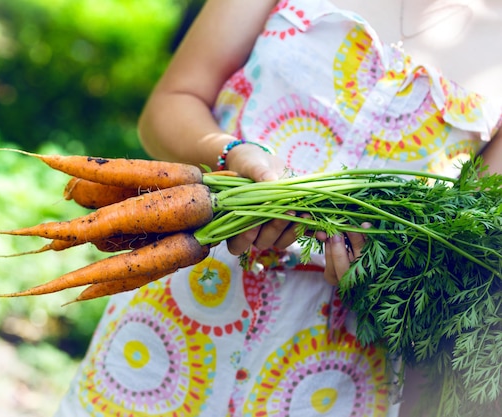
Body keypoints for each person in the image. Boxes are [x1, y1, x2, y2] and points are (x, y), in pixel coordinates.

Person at [55, 0, 502, 416]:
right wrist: (233, 153)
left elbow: (472, 245)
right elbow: (169, 105)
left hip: (333, 377)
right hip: (173, 317)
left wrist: (382, 266)